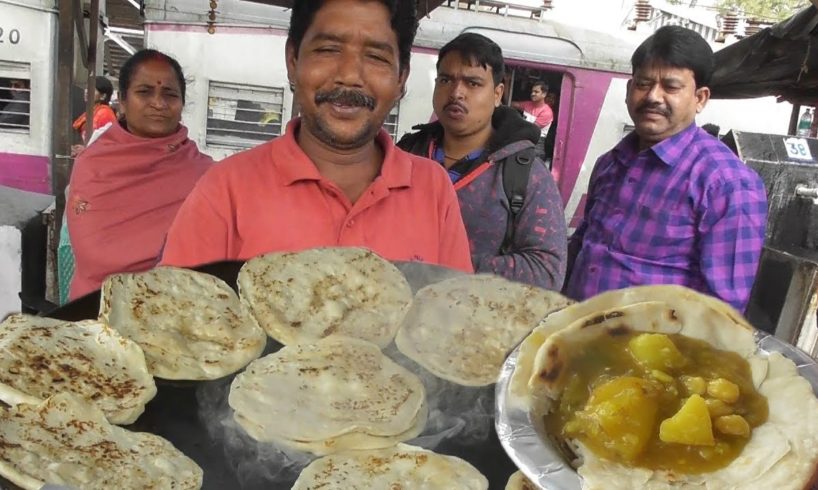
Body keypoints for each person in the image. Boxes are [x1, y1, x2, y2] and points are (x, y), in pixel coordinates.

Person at [160, 0, 472, 272]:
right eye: (328, 49)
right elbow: (172, 324)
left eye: (376, 56)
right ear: (293, 61)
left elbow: (456, 324)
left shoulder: (433, 191)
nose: (350, 75)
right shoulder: (226, 189)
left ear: (402, 77)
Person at [564, 26, 767, 312]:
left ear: (700, 99)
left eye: (671, 87)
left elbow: (722, 310)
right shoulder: (610, 163)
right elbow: (585, 247)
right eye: (643, 84)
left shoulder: (727, 184)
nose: (653, 97)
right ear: (629, 90)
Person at [398, 33, 566, 290]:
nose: (456, 93)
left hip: (476, 322)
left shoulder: (525, 173)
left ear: (498, 93)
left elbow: (546, 270)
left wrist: (440, 268)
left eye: (473, 83)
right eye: (445, 80)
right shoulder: (407, 154)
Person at [65, 49, 213, 300]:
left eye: (170, 94)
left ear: (182, 104)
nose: (158, 103)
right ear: (122, 100)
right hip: (94, 313)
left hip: (177, 317)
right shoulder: (94, 164)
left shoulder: (206, 173)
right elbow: (95, 255)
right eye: (144, 92)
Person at [512, 80, 553, 160]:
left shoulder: (547, 112)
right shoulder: (528, 104)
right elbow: (510, 103)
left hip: (536, 146)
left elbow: (531, 130)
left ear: (544, 94)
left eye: (536, 92)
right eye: (532, 91)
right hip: (523, 142)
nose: (532, 94)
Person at [72, 76, 117, 144]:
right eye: (86, 88)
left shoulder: (105, 114)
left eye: (91, 89)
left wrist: (85, 148)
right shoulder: (91, 112)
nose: (86, 91)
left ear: (103, 96)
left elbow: (106, 142)